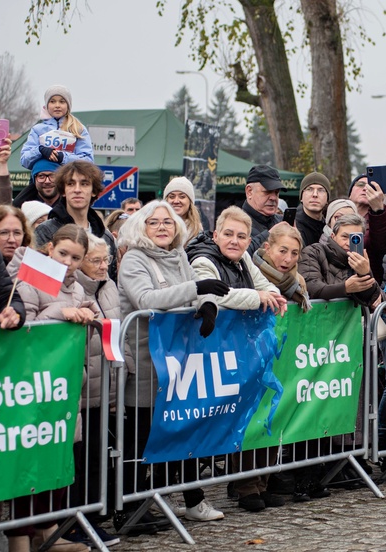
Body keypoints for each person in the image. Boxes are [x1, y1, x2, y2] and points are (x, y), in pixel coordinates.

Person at [116, 201, 230, 530]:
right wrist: (197, 289)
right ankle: (131, 507)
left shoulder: (179, 253)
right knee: (141, 438)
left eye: (168, 221)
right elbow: (146, 300)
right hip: (144, 360)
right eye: (154, 222)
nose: (163, 226)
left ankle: (169, 498)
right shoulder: (135, 259)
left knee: (177, 430)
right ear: (142, 227)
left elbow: (197, 287)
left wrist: (208, 305)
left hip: (178, 363)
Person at [187, 207, 288, 513]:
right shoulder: (203, 259)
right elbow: (217, 296)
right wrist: (257, 299)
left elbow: (266, 285)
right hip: (208, 355)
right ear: (216, 234)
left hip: (242, 353)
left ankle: (255, 483)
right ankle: (197, 497)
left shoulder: (243, 259)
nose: (234, 241)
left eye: (241, 236)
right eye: (228, 234)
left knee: (253, 417)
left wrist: (268, 294)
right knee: (204, 427)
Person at [6, 224, 97, 552]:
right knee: (28, 465)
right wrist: (61, 312)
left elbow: (91, 314)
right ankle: (19, 536)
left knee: (58, 462)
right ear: (48, 250)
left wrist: (89, 313)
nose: (69, 262)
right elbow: (23, 328)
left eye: (76, 257)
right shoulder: (30, 280)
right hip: (31, 387)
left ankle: (49, 530)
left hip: (64, 387)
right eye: (63, 254)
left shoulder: (75, 288)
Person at [69, 233, 123, 546]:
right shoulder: (76, 290)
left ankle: (91, 519)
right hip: (82, 390)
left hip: (106, 389)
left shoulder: (110, 286)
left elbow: (119, 338)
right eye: (96, 261)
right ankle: (74, 522)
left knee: (97, 460)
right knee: (79, 462)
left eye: (106, 260)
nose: (103, 266)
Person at [34, 161, 117, 280]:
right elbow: (37, 279)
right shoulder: (46, 231)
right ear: (63, 191)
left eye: (84, 184)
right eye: (71, 184)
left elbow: (110, 281)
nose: (77, 190)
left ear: (93, 191)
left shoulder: (106, 237)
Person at [299, 213, 382, 309]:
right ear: (333, 236)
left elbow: (371, 299)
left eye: (354, 238)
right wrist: (344, 288)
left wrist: (365, 273)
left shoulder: (361, 259)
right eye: (344, 237)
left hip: (352, 322)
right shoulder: (314, 252)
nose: (348, 243)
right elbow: (311, 288)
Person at [20, 85, 94, 170]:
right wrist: (40, 150)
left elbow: (88, 162)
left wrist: (63, 157)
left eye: (62, 102)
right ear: (47, 105)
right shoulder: (37, 130)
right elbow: (24, 160)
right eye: (52, 101)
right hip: (43, 180)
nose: (57, 105)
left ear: (68, 105)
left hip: (68, 180)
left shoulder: (78, 129)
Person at [252, 222, 312, 312]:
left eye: (294, 253)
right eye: (283, 251)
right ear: (267, 248)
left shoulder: (300, 282)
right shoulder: (251, 273)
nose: (288, 259)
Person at [348, 174, 386, 284]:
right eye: (361, 184)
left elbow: (381, 245)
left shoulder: (380, 219)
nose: (366, 188)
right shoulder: (335, 213)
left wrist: (378, 210)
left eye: (371, 187)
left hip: (369, 283)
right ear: (349, 194)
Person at [243, 165, 285, 251]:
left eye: (276, 192)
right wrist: (269, 235)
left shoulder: (283, 222)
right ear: (249, 191)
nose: (273, 198)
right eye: (267, 192)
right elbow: (240, 256)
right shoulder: (235, 223)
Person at [163, 176, 204, 245]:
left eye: (182, 197)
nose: (176, 201)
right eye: (172, 197)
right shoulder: (155, 228)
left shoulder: (198, 233)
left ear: (190, 201)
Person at [295, 172, 331, 248]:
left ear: (327, 199)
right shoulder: (293, 225)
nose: (315, 194)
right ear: (301, 197)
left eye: (321, 190)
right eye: (309, 189)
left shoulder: (330, 226)